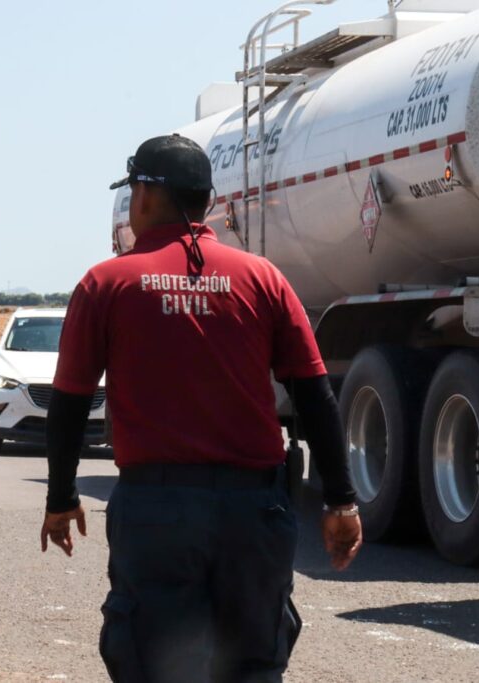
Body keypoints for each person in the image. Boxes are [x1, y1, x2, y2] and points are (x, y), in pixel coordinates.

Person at [39, 134, 362, 682]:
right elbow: (315, 394)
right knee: (253, 665)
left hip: (157, 508)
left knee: (155, 663)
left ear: (142, 196)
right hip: (254, 511)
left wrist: (62, 495)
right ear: (207, 202)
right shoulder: (263, 279)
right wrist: (340, 500)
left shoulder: (106, 283)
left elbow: (69, 402)